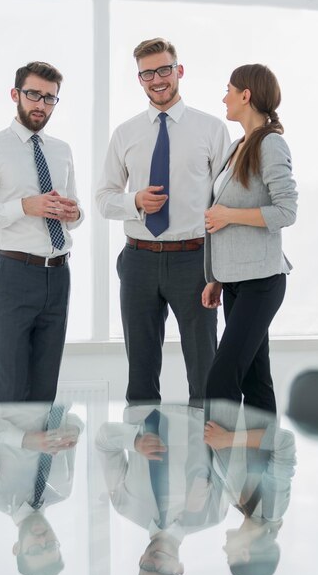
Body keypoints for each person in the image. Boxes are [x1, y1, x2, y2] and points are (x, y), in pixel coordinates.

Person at [96, 38, 230, 406]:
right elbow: (104, 199)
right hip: (138, 259)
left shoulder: (212, 129)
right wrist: (135, 201)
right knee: (140, 372)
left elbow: (225, 201)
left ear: (179, 71)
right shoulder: (125, 133)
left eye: (164, 70)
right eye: (147, 73)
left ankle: (206, 460)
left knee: (205, 369)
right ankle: (143, 460)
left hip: (194, 259)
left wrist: (218, 270)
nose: (157, 79)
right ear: (139, 78)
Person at [0, 61, 83, 403]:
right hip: (14, 274)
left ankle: (41, 459)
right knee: (11, 388)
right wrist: (23, 206)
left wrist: (75, 213)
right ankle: (10, 456)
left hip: (59, 275)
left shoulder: (62, 151)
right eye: (33, 95)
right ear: (16, 95)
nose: (41, 104)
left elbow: (72, 212)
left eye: (49, 98)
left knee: (45, 390)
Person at [202, 64, 297, 414]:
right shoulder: (236, 146)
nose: (223, 97)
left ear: (246, 95)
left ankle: (217, 464)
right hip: (236, 282)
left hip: (263, 280)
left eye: (228, 89)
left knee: (220, 381)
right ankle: (264, 468)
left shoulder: (271, 144)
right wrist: (215, 278)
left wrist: (229, 215)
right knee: (256, 381)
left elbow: (286, 212)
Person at [95, 404, 228, 575]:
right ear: (180, 569)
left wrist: (135, 441)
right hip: (198, 405)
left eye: (148, 567)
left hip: (144, 402)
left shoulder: (124, 506)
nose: (156, 562)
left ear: (141, 559)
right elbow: (226, 458)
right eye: (164, 571)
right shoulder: (213, 515)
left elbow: (103, 440)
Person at [0, 403, 83, 575]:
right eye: (50, 547)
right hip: (62, 391)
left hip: (16, 392)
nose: (42, 541)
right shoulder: (63, 491)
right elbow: (71, 419)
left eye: (34, 550)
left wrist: (25, 440)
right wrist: (74, 430)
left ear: (17, 548)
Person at [204, 400, 296, 575]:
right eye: (229, 556)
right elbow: (284, 442)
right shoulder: (272, 509)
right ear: (245, 554)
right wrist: (226, 439)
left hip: (219, 402)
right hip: (249, 400)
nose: (224, 549)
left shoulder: (236, 502)